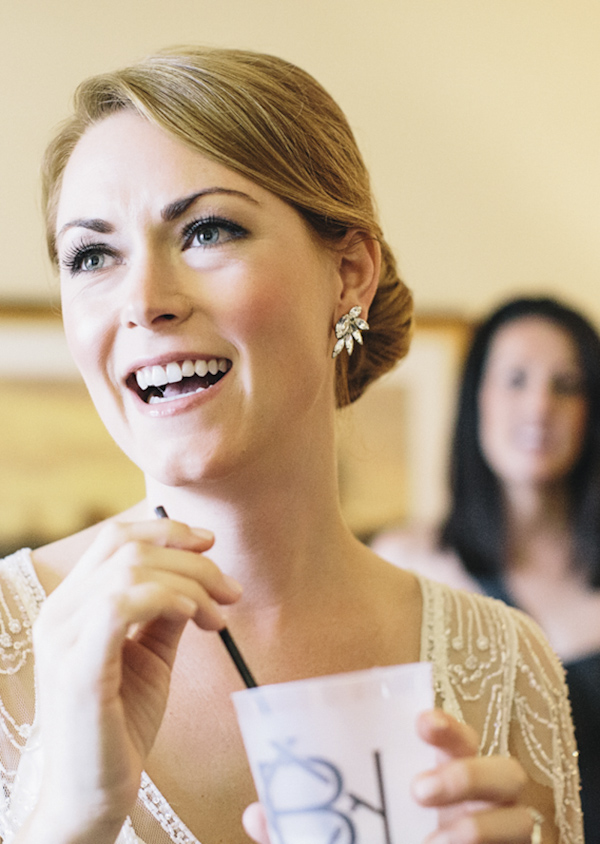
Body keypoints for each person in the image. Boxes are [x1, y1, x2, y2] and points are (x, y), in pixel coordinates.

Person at [0, 50, 582, 844]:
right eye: (92, 255)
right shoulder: (9, 642)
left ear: (349, 272)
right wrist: (64, 821)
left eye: (206, 230)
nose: (143, 302)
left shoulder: (507, 664)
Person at [373, 295, 600, 842]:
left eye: (566, 385)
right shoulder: (408, 562)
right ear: (477, 399)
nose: (540, 406)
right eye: (515, 380)